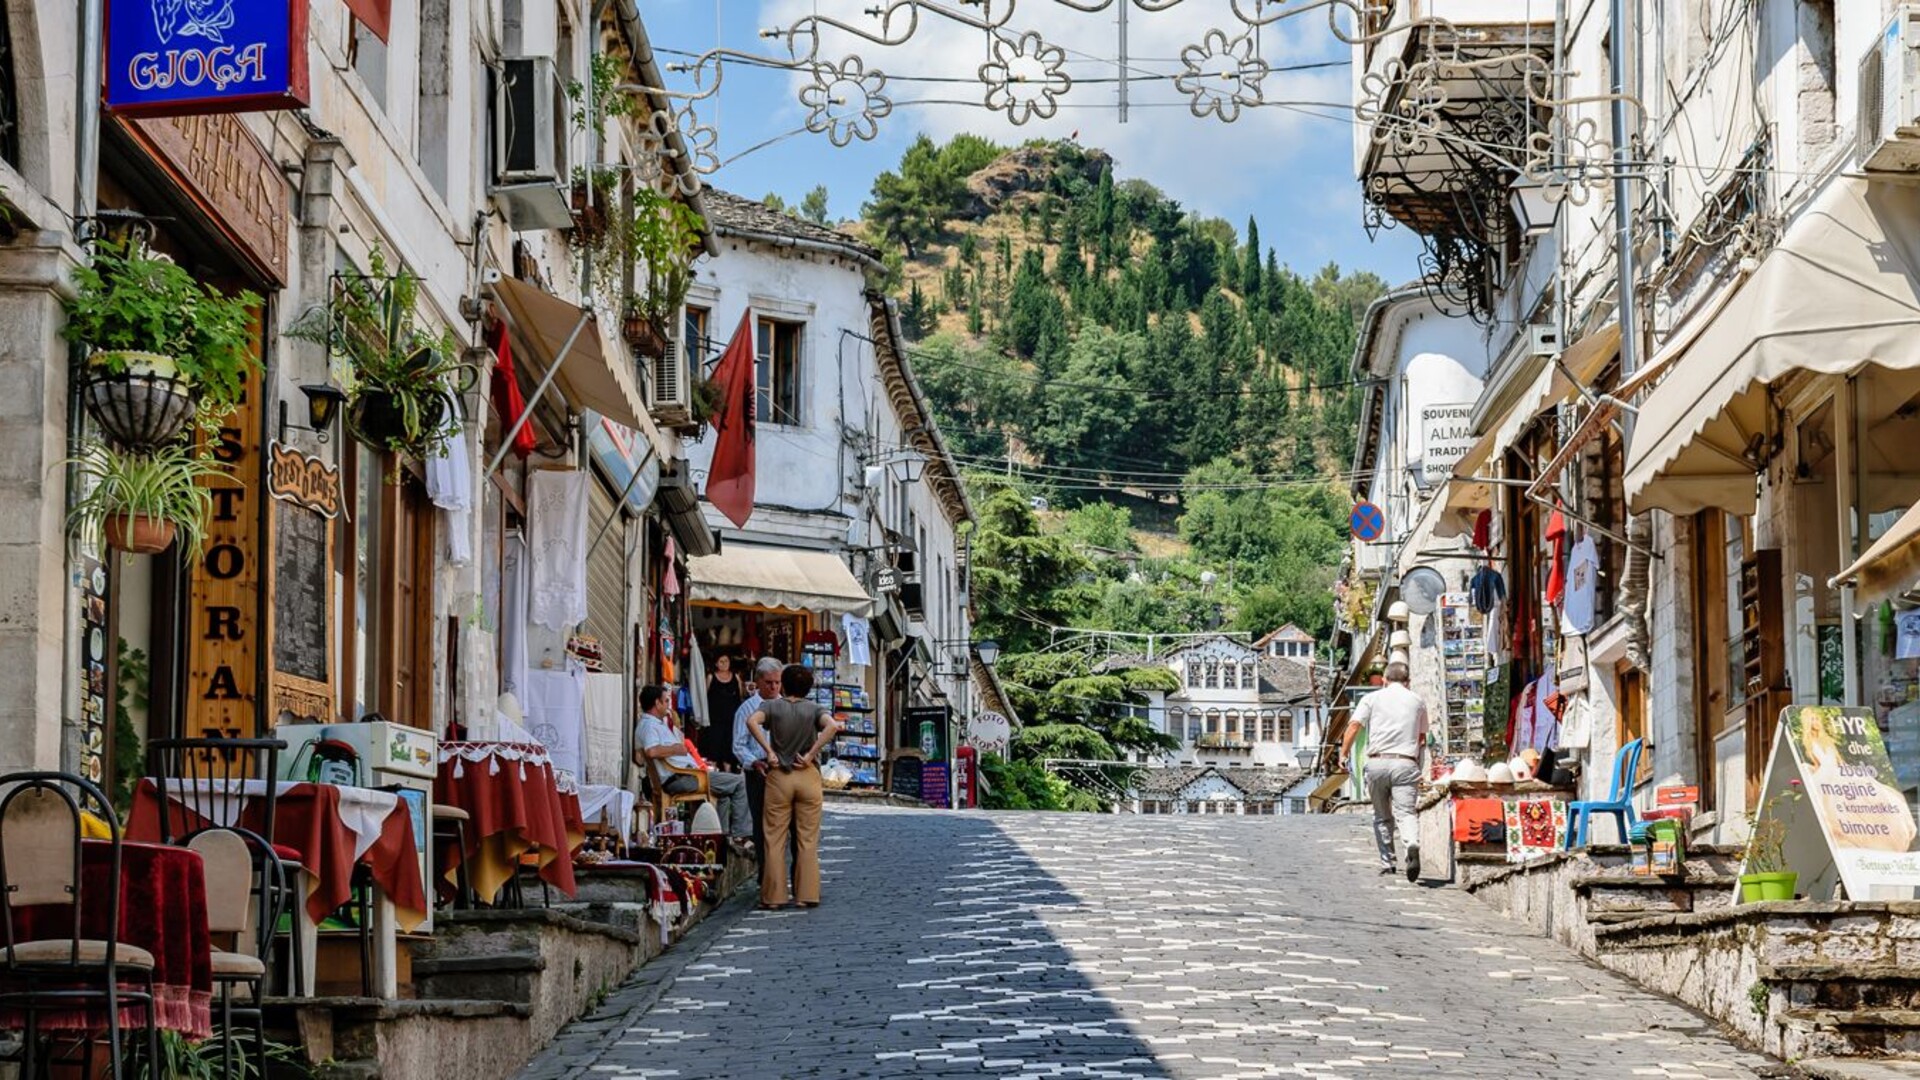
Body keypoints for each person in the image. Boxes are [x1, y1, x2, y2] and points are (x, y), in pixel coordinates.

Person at [746, 664, 840, 909]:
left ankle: (774, 897)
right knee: (807, 839)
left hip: (780, 776)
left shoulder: (771, 706)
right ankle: (807, 894)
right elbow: (832, 726)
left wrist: (769, 751)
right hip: (807, 774)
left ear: (784, 685)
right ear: (808, 687)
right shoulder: (814, 709)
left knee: (775, 839)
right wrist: (811, 754)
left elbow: (751, 721)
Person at [1341, 662, 1429, 881]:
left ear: (1384, 680)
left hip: (1378, 762)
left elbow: (1354, 726)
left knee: (1382, 816)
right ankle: (1411, 843)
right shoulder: (1417, 701)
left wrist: (1343, 754)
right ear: (1408, 681)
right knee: (1406, 812)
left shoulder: (1371, 698)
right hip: (1405, 763)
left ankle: (1388, 862)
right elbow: (1421, 737)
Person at [634, 684, 752, 846]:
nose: (669, 705)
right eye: (666, 701)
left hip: (686, 775)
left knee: (724, 793)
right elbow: (651, 752)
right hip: (681, 778)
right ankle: (741, 834)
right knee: (740, 782)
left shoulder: (654, 724)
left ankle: (720, 838)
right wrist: (676, 748)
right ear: (657, 703)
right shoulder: (649, 726)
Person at [732, 657, 787, 859]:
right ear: (759, 682)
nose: (774, 687)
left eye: (777, 682)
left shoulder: (786, 706)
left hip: (783, 769)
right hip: (759, 770)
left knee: (781, 822)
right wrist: (753, 762)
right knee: (761, 822)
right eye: (769, 683)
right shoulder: (747, 709)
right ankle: (764, 870)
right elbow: (738, 745)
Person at [701, 654, 745, 769]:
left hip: (731, 719)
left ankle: (728, 773)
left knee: (728, 746)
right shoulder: (711, 677)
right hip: (715, 719)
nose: (724, 664)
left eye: (726, 661)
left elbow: (740, 696)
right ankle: (714, 774)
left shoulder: (736, 677)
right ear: (716, 664)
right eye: (721, 661)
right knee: (714, 746)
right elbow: (704, 697)